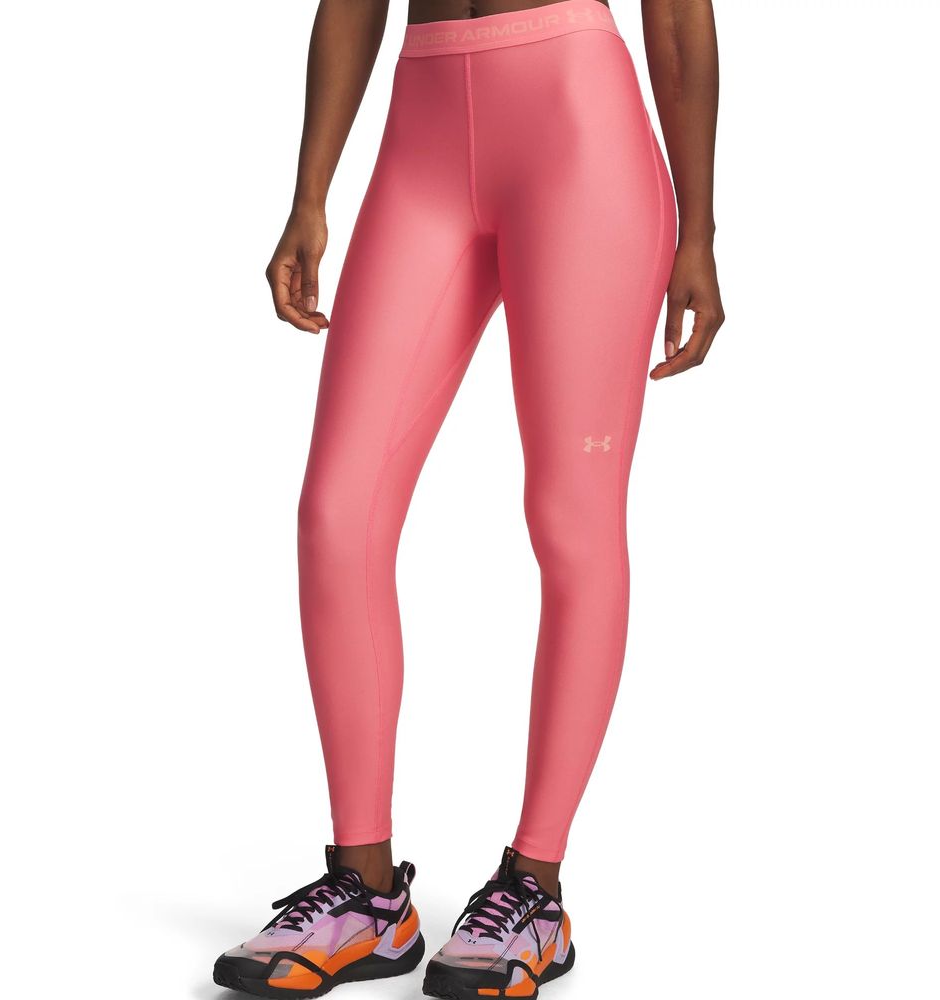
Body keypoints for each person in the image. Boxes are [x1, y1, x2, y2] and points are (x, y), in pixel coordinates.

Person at [214, 1, 723, 997]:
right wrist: (310, 192)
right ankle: (366, 891)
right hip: (423, 135)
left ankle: (534, 886)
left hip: (578, 130)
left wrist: (698, 230)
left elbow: (677, 14)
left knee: (571, 521)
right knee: (337, 513)